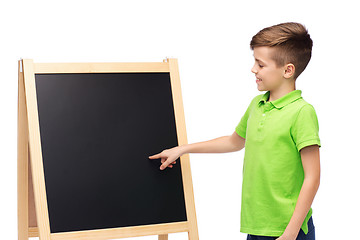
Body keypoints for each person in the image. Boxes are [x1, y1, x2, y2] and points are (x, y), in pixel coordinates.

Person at [148, 22, 321, 240]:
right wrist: (182, 149)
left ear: (288, 70)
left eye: (260, 64)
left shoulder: (302, 112)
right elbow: (233, 142)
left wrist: (291, 232)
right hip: (256, 227)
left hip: (288, 231)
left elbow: (313, 177)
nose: (253, 69)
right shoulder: (257, 105)